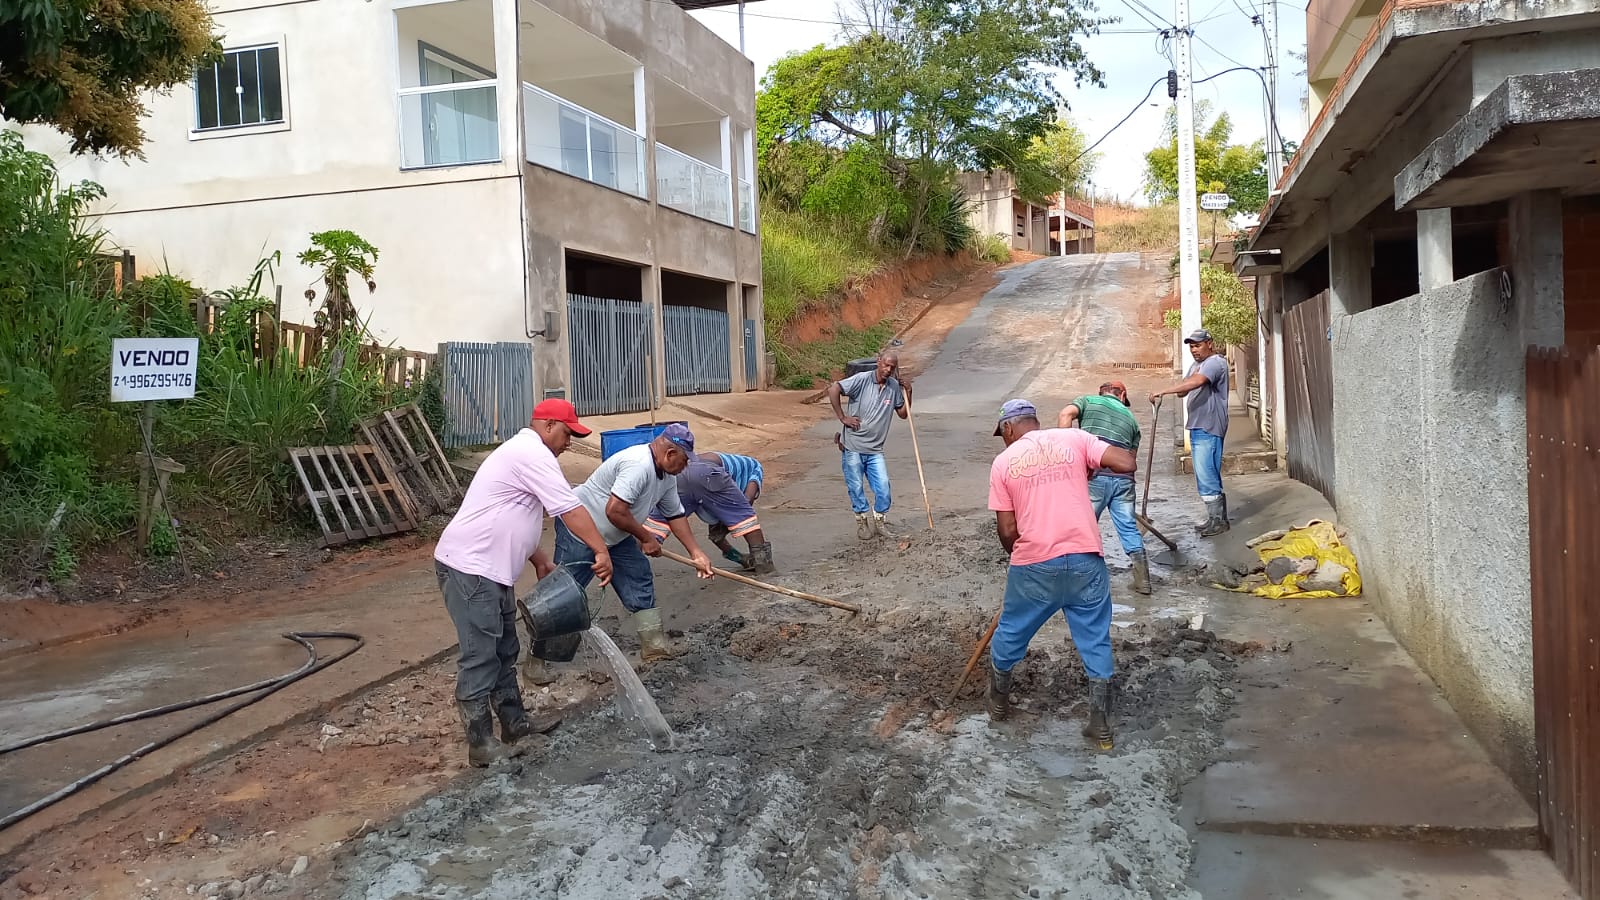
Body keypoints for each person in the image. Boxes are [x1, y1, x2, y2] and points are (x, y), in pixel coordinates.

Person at [432, 399, 614, 767]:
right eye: (567, 434)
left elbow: (511, 513)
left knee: (504, 649)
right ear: (548, 426)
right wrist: (600, 549)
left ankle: (515, 725)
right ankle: (481, 743)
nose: (569, 443)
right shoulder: (532, 454)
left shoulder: (524, 453)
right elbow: (570, 510)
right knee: (480, 654)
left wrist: (539, 557)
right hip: (471, 568)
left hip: (491, 570)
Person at [987, 399, 1137, 751]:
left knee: (1011, 631)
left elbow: (1007, 531)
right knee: (1095, 639)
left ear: (1008, 428)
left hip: (1035, 564)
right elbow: (1126, 462)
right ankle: (1100, 725)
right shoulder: (1075, 439)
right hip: (1086, 559)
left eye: (1002, 433)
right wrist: (1090, 469)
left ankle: (998, 704)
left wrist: (1022, 560)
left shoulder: (1003, 462)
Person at [553, 422, 715, 664]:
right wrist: (646, 538)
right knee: (564, 594)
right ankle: (541, 662)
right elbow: (615, 511)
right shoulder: (638, 465)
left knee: (638, 575)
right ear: (670, 453)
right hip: (580, 530)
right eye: (684, 461)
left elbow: (675, 515)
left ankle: (654, 648)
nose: (685, 467)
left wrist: (696, 553)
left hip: (616, 535)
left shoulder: (667, 477)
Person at [1059, 381, 1150, 595]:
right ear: (1122, 396)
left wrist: (1066, 456)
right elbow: (1130, 461)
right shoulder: (1132, 420)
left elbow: (1065, 414)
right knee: (1128, 527)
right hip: (1124, 481)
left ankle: (1075, 579)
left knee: (1081, 527)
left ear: (1101, 393)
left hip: (1095, 477)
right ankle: (1143, 580)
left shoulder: (1087, 401)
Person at [1150, 328, 1231, 536]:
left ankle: (1218, 521)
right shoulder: (1197, 365)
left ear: (1209, 344)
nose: (1194, 350)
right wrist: (1181, 386)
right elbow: (1184, 390)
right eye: (1191, 347)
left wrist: (1164, 390)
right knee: (1206, 472)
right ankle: (1216, 518)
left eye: (1198, 345)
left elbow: (1197, 382)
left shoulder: (1215, 363)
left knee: (1206, 473)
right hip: (1197, 425)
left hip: (1208, 425)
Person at [645, 451, 775, 575]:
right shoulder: (755, 468)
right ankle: (764, 567)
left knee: (656, 527)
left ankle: (634, 555)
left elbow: (719, 511)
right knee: (747, 521)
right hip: (707, 473)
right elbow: (746, 503)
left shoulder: (730, 475)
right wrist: (732, 521)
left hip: (680, 473)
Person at [827, 350, 910, 540]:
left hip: (875, 450)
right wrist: (843, 417)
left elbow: (903, 414)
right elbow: (833, 389)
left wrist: (909, 392)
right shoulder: (862, 379)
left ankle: (879, 521)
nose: (888, 370)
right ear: (879, 362)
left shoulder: (893, 386)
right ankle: (862, 522)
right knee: (856, 487)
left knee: (883, 488)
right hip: (853, 446)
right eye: (886, 365)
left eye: (892, 367)